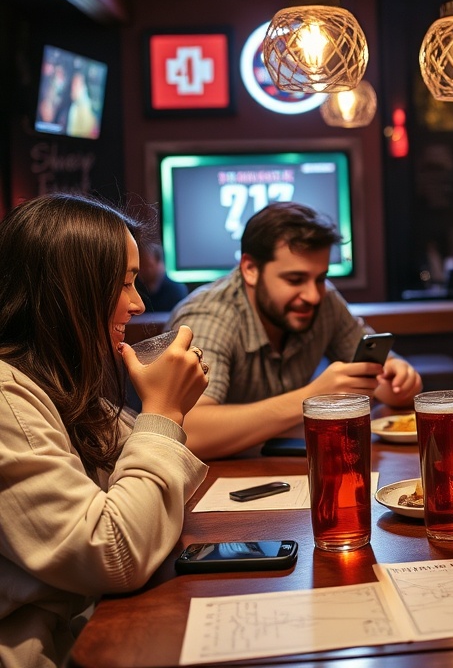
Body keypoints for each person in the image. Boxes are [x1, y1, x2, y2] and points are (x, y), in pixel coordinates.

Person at [0, 193, 209, 668]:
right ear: (68, 291)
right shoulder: (6, 399)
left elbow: (154, 497)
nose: (137, 305)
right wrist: (164, 412)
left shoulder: (57, 382)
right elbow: (113, 551)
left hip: (91, 630)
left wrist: (163, 413)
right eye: (123, 284)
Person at [166, 202, 423, 460]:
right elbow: (187, 432)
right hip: (211, 485)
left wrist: (397, 377)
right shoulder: (209, 317)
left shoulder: (324, 301)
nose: (313, 295)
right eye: (294, 280)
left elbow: (382, 380)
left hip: (288, 468)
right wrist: (312, 397)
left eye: (320, 278)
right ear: (250, 270)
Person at [136, 241, 188, 311]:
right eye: (140, 266)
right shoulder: (137, 291)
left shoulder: (176, 291)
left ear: (160, 263)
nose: (142, 270)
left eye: (147, 266)